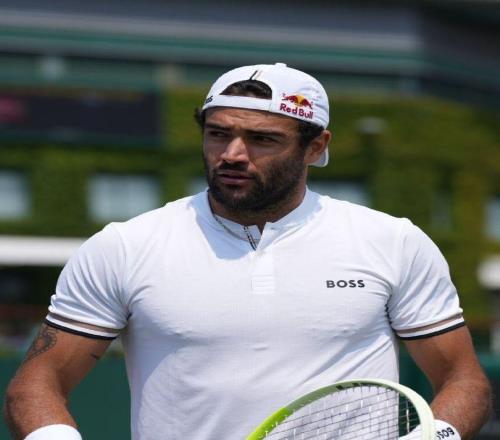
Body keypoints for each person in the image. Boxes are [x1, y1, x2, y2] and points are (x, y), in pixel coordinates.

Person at [3, 63, 491, 440]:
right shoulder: (124, 246)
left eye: (262, 139)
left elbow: (464, 380)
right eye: (218, 134)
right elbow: (37, 383)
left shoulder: (393, 241)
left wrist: (435, 435)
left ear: (315, 147)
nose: (232, 154)